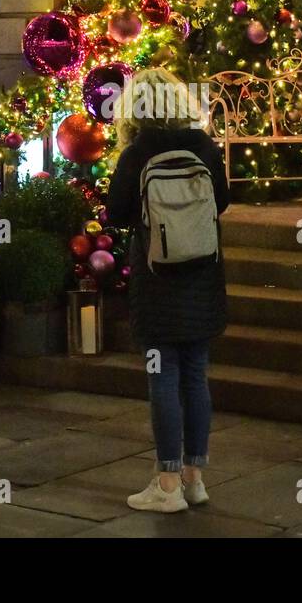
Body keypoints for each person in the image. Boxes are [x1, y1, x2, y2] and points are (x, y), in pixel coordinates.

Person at [106, 68, 229, 513]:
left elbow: (116, 212)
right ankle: (194, 480)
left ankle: (167, 483)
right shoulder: (203, 146)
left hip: (157, 280)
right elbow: (224, 201)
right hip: (201, 275)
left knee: (163, 376)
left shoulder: (137, 153)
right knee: (196, 374)